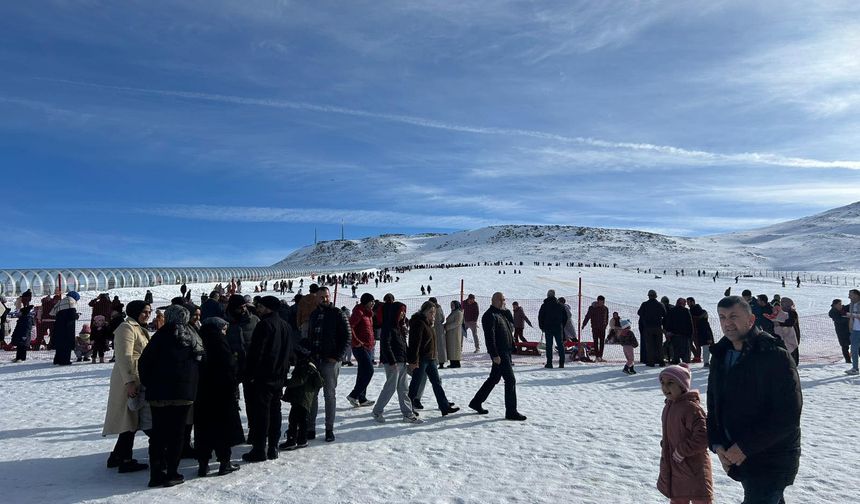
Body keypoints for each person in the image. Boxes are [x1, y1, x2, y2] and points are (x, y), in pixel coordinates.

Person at [708, 296, 802, 503]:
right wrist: (717, 444)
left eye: (734, 316)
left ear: (751, 320)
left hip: (772, 458)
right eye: (722, 317)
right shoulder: (721, 354)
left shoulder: (773, 354)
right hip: (739, 456)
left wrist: (743, 447)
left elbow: (787, 415)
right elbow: (714, 402)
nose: (727, 322)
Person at [139, 305, 204, 487]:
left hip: (158, 393)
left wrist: (149, 383)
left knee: (158, 434)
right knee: (177, 433)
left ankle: (156, 473)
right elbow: (200, 362)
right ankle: (173, 472)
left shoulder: (159, 337)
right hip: (183, 393)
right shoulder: (192, 338)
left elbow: (144, 363)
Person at [102, 300, 152, 474]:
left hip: (135, 376)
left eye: (149, 311)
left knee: (130, 418)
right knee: (129, 418)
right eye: (145, 311)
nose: (148, 314)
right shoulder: (127, 328)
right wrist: (130, 381)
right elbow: (124, 356)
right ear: (136, 312)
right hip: (128, 378)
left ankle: (117, 456)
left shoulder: (137, 327)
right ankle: (125, 459)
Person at [242, 296, 292, 461]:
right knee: (275, 411)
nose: (258, 309)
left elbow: (257, 352)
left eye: (261, 306)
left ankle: (259, 449)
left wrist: (250, 374)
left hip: (263, 376)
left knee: (261, 414)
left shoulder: (264, 325)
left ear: (269, 308)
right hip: (279, 376)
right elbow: (288, 353)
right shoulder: (285, 325)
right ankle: (273, 447)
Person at [194, 317, 243, 477]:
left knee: (203, 430)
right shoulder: (220, 341)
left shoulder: (198, 339)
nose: (225, 331)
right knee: (223, 429)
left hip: (201, 392)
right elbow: (229, 365)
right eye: (223, 328)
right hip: (221, 392)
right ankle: (224, 463)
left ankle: (203, 464)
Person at [657, 364, 713, 504]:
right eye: (662, 383)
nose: (665, 387)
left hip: (693, 467)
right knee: (677, 499)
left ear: (682, 385)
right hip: (675, 467)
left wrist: (683, 450)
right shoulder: (669, 407)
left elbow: (704, 436)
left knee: (700, 499)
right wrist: (666, 443)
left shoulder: (691, 408)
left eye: (670, 383)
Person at [468, 292, 525, 421]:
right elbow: (489, 337)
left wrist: (507, 311)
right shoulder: (489, 315)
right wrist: (494, 354)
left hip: (506, 351)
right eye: (503, 300)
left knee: (494, 378)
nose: (505, 302)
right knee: (510, 380)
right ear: (497, 300)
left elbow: (510, 327)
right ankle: (511, 411)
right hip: (500, 353)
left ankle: (476, 402)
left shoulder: (501, 313)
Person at [305, 287, 351, 443]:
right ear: (316, 298)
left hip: (330, 361)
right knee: (312, 394)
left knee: (329, 395)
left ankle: (329, 429)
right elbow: (310, 336)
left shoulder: (337, 313)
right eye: (321, 297)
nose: (324, 299)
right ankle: (310, 428)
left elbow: (347, 336)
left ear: (330, 297)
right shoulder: (314, 314)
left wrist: (337, 356)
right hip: (315, 360)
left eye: (326, 296)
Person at [407, 301, 459, 417]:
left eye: (434, 312)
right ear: (424, 311)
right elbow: (415, 343)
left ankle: (444, 407)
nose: (433, 315)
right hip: (421, 359)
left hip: (430, 359)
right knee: (416, 384)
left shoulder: (428, 323)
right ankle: (408, 408)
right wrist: (413, 361)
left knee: (437, 383)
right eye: (431, 312)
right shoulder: (419, 323)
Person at [372, 301, 420, 423]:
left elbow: (404, 346)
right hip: (392, 363)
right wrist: (392, 362)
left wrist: (411, 360)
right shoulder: (388, 327)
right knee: (390, 387)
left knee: (403, 388)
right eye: (401, 312)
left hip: (402, 361)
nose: (403, 314)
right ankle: (377, 411)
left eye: (404, 312)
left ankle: (408, 414)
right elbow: (385, 345)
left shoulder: (400, 327)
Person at [280, 341, 324, 449]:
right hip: (305, 398)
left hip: (301, 398)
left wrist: (284, 382)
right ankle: (302, 440)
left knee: (294, 419)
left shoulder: (305, 365)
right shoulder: (309, 363)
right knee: (302, 419)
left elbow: (299, 380)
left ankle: (292, 440)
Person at [346, 293, 376, 407]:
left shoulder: (368, 314)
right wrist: (357, 342)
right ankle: (354, 395)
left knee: (362, 372)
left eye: (373, 301)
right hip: (360, 347)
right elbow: (350, 326)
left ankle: (362, 398)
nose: (373, 303)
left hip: (368, 347)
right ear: (365, 302)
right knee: (369, 371)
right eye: (371, 301)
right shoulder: (359, 312)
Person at [538, 289, 568, 369]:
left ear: (548, 295)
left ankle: (549, 363)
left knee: (549, 346)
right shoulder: (560, 305)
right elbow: (565, 317)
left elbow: (540, 317)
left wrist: (542, 327)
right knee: (560, 345)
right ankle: (561, 363)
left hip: (548, 328)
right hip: (558, 327)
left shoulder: (544, 305)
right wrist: (562, 325)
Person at [638, 290, 667, 367]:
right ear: (655, 296)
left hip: (648, 328)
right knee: (659, 345)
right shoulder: (660, 304)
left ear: (649, 296)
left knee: (649, 345)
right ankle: (661, 361)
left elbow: (639, 313)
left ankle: (651, 362)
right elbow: (664, 314)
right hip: (658, 327)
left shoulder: (645, 304)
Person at [51, 291, 80, 365]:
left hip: (58, 326)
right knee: (67, 345)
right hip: (67, 327)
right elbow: (72, 315)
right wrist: (77, 315)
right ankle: (65, 361)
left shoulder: (62, 301)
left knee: (59, 344)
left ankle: (57, 360)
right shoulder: (71, 302)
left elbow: (53, 312)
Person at [772, 298, 800, 366]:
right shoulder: (781, 312)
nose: (782, 305)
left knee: (792, 351)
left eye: (783, 303)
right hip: (784, 335)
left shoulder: (792, 312)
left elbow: (790, 322)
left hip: (792, 335)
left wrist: (779, 323)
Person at [665, 298, 693, 365]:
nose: (685, 304)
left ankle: (675, 365)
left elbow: (668, 322)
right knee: (685, 354)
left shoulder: (672, 311)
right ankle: (684, 366)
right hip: (684, 335)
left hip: (674, 335)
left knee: (675, 352)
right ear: (682, 303)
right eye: (685, 303)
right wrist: (690, 334)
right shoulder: (686, 311)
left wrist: (669, 331)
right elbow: (690, 323)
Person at [582, 296, 609, 362]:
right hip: (595, 327)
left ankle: (600, 357)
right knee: (596, 342)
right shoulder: (592, 308)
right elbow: (587, 316)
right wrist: (584, 324)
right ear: (598, 301)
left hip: (602, 328)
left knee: (602, 342)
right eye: (601, 302)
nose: (602, 303)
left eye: (603, 302)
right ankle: (597, 356)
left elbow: (607, 317)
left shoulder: (605, 308)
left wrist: (605, 325)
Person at [11, 291, 34, 362]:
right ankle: (18, 357)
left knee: (22, 346)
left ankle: (22, 358)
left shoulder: (26, 318)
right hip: (21, 334)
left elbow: (27, 328)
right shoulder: (24, 317)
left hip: (24, 335)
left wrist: (24, 335)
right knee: (20, 345)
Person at [828, 299, 851, 364]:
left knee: (856, 344)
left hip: (849, 330)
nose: (841, 305)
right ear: (835, 305)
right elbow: (839, 320)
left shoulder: (843, 308)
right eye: (839, 304)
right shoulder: (833, 312)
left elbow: (849, 306)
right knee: (845, 346)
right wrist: (849, 318)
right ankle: (848, 361)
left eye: (841, 304)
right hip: (841, 332)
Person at [844, 289, 860, 375]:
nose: (849, 296)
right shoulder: (852, 304)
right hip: (854, 330)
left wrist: (853, 315)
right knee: (854, 350)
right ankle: (855, 368)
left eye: (851, 295)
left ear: (856, 295)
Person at [444, 301, 464, 368]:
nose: (451, 306)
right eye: (451, 305)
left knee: (455, 348)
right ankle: (453, 362)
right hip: (451, 333)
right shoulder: (453, 312)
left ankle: (456, 363)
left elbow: (457, 323)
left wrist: (447, 327)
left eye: (453, 305)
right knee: (452, 349)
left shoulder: (458, 312)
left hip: (455, 334)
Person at [431, 297, 447, 368]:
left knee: (435, 345)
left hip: (434, 328)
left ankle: (436, 361)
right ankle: (442, 361)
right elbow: (443, 318)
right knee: (441, 345)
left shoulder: (432, 309)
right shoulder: (440, 308)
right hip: (440, 328)